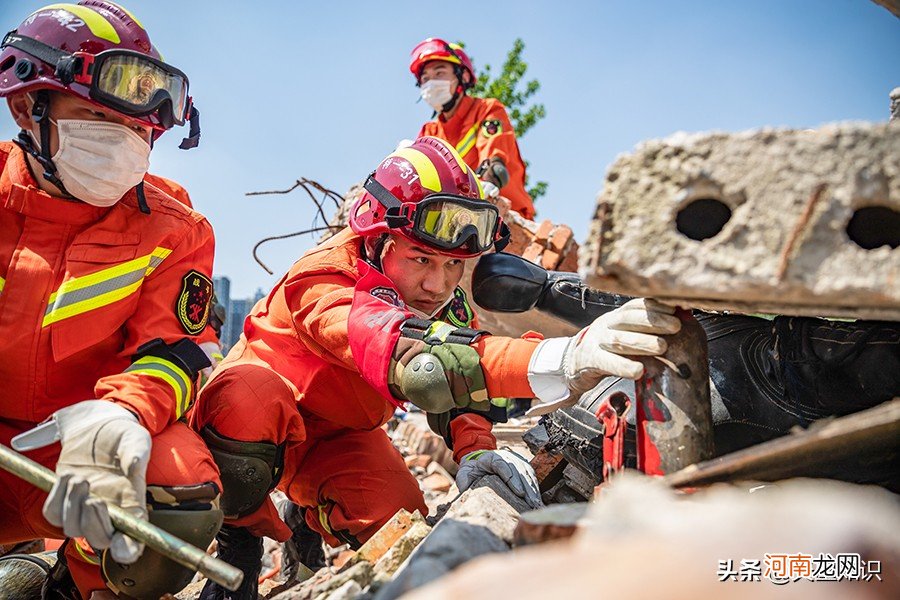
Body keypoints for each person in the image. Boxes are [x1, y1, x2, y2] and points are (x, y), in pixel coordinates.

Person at [190, 135, 680, 599]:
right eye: (422, 259)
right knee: (246, 400)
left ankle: (304, 517)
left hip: (339, 434)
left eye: (452, 267)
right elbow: (416, 357)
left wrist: (475, 451)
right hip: (261, 426)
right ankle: (241, 548)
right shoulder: (323, 278)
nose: (438, 285)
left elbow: (461, 391)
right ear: (379, 241)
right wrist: (565, 356)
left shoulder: (442, 305)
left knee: (396, 517)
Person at [0, 2, 222, 598]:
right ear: (26, 107)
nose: (127, 143)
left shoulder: (175, 230)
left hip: (84, 452)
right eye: (99, 116)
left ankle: (75, 583)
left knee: (177, 489)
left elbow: (174, 353)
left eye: (141, 128)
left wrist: (124, 414)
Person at [411, 38, 537, 220]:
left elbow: (493, 156)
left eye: (439, 73)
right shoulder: (429, 132)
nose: (431, 83)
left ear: (464, 76)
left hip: (508, 218)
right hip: (455, 223)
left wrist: (489, 177)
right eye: (425, 79)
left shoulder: (487, 110)